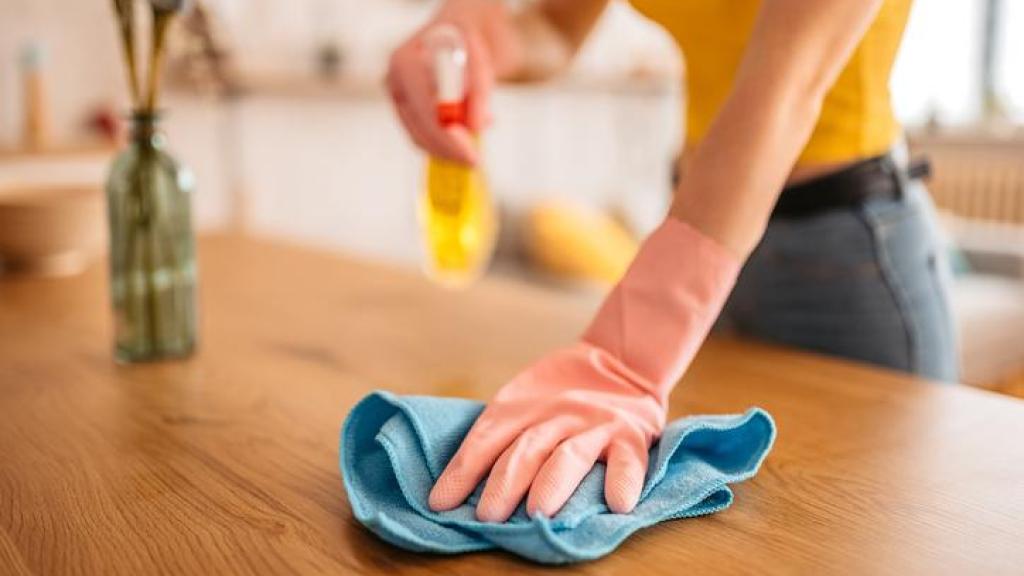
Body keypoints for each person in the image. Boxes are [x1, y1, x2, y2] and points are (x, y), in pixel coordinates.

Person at [386, 0, 958, 523]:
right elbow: (557, 28)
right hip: (704, 231)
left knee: (861, 528)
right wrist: (489, 42)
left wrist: (630, 352)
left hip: (845, 254)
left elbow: (785, 88)